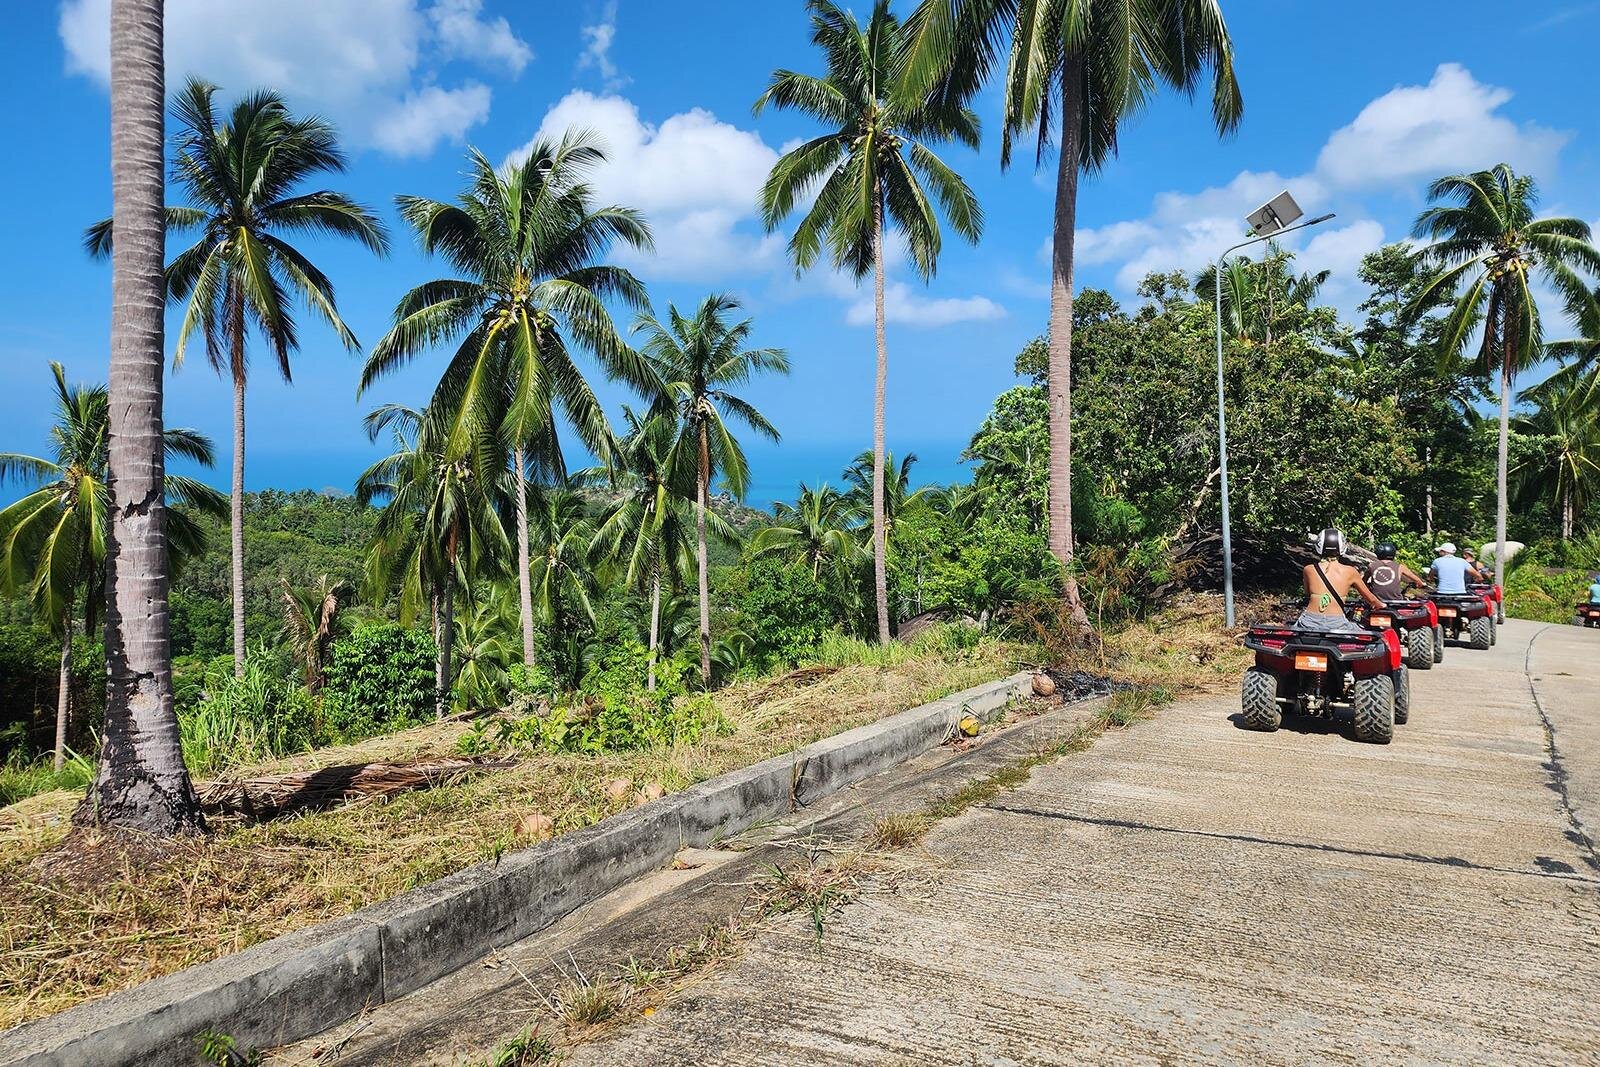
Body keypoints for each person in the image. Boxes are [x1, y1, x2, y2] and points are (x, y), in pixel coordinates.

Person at [1295, 528, 1383, 633]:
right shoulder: (1351, 571)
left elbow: (1307, 595)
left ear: (1319, 546)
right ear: (1342, 547)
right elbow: (1371, 599)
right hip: (1337, 623)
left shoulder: (1308, 569)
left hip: (1309, 621)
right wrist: (1382, 605)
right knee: (1369, 634)